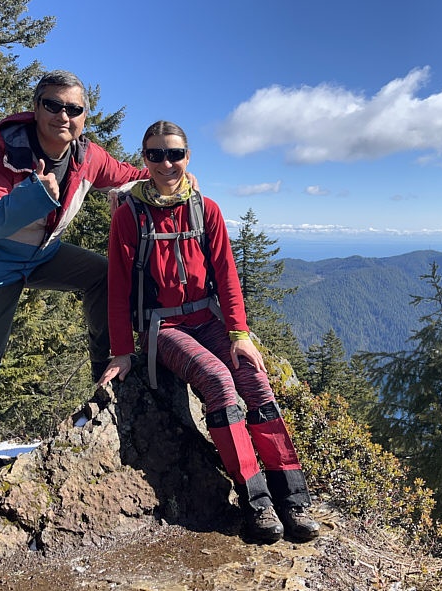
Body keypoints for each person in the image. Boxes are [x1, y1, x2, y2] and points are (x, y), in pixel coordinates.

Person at [99, 120, 320, 543]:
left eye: (174, 154)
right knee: (219, 381)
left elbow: (227, 275)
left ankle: (293, 498)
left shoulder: (206, 209)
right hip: (162, 326)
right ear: (144, 159)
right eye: (156, 155)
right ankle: (257, 503)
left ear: (187, 156)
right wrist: (123, 350)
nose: (166, 163)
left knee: (255, 380)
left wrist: (239, 334)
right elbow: (118, 286)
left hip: (208, 318)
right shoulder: (129, 216)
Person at [0, 70, 153, 483]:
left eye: (74, 109)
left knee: (101, 274)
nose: (63, 115)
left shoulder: (87, 157)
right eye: (53, 105)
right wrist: (34, 195)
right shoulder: (3, 153)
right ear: (36, 107)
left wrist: (170, 175)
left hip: (40, 255)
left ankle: (106, 377)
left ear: (84, 117)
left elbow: (129, 176)